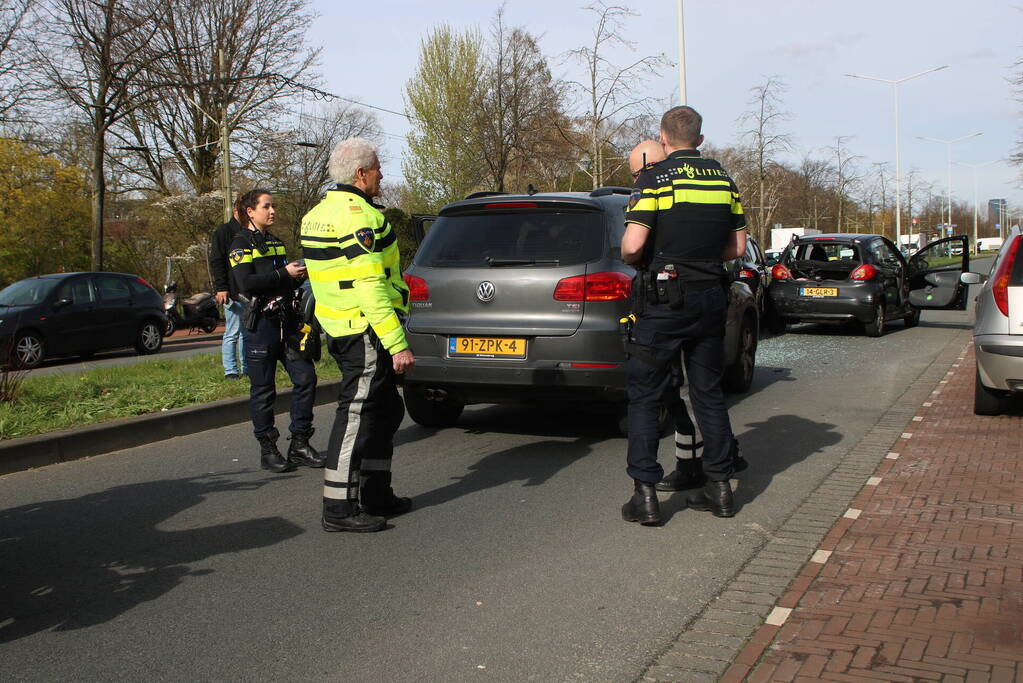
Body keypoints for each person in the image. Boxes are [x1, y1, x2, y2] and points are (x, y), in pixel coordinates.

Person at [620, 106, 747, 523]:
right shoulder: (724, 181)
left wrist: (648, 256)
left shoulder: (655, 179)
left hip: (663, 302)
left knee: (645, 394)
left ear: (663, 138)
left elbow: (632, 247)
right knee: (708, 392)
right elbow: (737, 248)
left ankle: (645, 496)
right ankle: (720, 488)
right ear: (700, 139)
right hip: (710, 297)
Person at [300, 137, 413, 534]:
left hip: (340, 324)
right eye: (378, 167)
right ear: (361, 173)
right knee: (356, 415)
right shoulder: (360, 217)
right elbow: (369, 286)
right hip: (364, 328)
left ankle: (376, 492)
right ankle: (338, 507)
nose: (382, 174)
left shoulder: (317, 213)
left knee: (386, 410)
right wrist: (397, 343)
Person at [625, 139, 706, 489]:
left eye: (636, 173)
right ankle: (702, 467)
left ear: (650, 166)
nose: (636, 180)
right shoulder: (701, 192)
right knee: (684, 392)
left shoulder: (652, 189)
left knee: (676, 392)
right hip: (698, 301)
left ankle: (690, 470)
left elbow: (632, 247)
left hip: (666, 305)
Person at [229, 189, 324, 473]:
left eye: (273, 206)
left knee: (306, 378)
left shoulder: (276, 242)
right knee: (263, 390)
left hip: (287, 324)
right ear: (250, 212)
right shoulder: (240, 244)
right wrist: (285, 274)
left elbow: (282, 282)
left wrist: (297, 277)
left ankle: (300, 443)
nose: (272, 211)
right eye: (266, 206)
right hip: (261, 327)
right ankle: (268, 450)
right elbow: (246, 283)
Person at [209, 194, 247, 379]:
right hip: (232, 290)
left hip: (247, 290)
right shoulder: (223, 232)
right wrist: (221, 288)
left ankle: (247, 367)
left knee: (246, 332)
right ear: (236, 211)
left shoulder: (248, 231)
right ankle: (230, 370)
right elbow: (217, 261)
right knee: (233, 331)